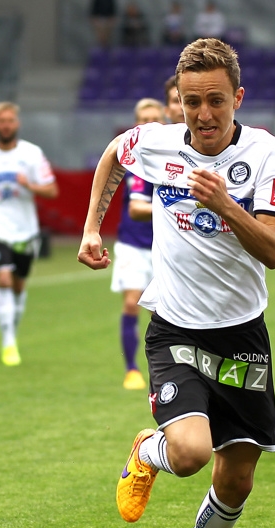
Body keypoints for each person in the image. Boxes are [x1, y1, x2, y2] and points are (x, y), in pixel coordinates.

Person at [77, 38, 275, 528]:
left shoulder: (268, 154)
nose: (202, 115)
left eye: (215, 102)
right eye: (191, 102)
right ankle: (149, 450)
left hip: (243, 335)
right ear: (178, 101)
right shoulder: (157, 142)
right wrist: (92, 229)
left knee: (239, 478)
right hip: (176, 327)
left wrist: (227, 205)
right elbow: (112, 156)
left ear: (237, 98)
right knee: (194, 451)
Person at [0, 102, 59, 366]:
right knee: (4, 280)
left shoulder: (31, 154)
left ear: (16, 124)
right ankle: (8, 342)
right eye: (1, 121)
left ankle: (12, 332)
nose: (6, 125)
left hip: (24, 230)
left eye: (10, 121)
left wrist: (29, 185)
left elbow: (52, 190)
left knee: (18, 285)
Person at [113, 98, 164, 391]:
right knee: (132, 302)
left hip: (162, 246)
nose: (148, 124)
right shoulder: (134, 162)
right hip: (132, 242)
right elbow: (135, 209)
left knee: (159, 313)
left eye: (154, 118)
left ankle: (158, 371)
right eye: (143, 119)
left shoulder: (174, 158)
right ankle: (131, 368)